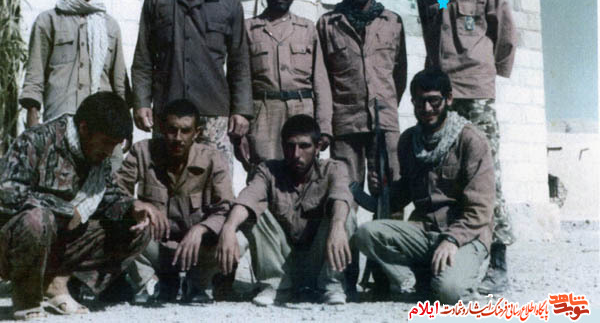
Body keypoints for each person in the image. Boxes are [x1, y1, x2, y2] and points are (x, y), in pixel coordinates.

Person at [416, 0, 517, 294]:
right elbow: (433, 32)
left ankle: (499, 262)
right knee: (446, 177)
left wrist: (489, 73)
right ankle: (454, 258)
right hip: (442, 96)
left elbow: (504, 31)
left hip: (475, 91)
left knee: (488, 176)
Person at [0, 92, 154, 320]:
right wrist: (63, 211)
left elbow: (108, 197)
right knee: (38, 219)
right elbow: (7, 195)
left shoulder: (98, 158)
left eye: (115, 145)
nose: (109, 152)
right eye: (106, 143)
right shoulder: (37, 140)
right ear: (84, 129)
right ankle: (27, 298)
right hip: (12, 245)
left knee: (137, 228)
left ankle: (56, 283)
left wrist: (133, 206)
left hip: (60, 242)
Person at [354, 69, 495, 304]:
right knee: (365, 234)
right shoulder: (409, 140)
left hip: (465, 234)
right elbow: (406, 192)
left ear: (449, 99)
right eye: (420, 102)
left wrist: (452, 240)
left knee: (449, 292)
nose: (427, 109)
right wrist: (383, 191)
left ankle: (454, 278)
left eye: (434, 101)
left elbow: (480, 209)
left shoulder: (471, 140)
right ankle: (412, 278)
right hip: (424, 230)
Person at [316, 0, 407, 293]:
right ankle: (346, 276)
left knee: (390, 198)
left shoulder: (393, 22)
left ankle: (387, 275)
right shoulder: (328, 24)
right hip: (346, 124)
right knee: (345, 198)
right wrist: (326, 124)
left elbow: (399, 75)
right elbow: (322, 78)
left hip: (385, 124)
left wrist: (386, 107)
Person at [131, 0, 252, 175]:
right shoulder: (158, 1)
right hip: (168, 113)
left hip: (213, 115)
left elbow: (239, 62)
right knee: (164, 180)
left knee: (215, 181)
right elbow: (143, 59)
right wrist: (141, 103)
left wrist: (241, 110)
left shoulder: (229, 5)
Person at [217, 115, 355, 306]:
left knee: (344, 212)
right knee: (255, 212)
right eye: (290, 146)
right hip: (284, 265)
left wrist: (337, 226)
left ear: (317, 148)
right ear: (282, 146)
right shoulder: (268, 171)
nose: (296, 154)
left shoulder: (334, 169)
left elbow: (341, 195)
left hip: (319, 261)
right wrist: (229, 227)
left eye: (304, 146)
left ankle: (331, 286)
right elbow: (248, 198)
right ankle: (275, 286)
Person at [116, 99, 244, 303]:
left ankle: (197, 283)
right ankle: (151, 282)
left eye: (185, 131)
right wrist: (138, 205)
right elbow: (116, 192)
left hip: (196, 249)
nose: (178, 138)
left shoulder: (213, 159)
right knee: (119, 223)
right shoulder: (141, 152)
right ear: (161, 128)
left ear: (197, 133)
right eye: (172, 130)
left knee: (238, 238)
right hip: (157, 247)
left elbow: (225, 208)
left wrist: (201, 229)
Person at [19, 0, 129, 169]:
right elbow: (35, 76)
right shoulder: (48, 21)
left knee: (105, 182)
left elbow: (119, 82)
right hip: (61, 119)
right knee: (58, 178)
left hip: (103, 124)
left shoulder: (109, 26)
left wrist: (126, 125)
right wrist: (33, 124)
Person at [237, 0, 332, 169]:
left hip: (302, 111)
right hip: (263, 115)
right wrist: (240, 132)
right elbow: (239, 82)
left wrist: (324, 127)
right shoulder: (248, 29)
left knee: (303, 174)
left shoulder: (308, 29)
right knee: (263, 172)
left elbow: (321, 82)